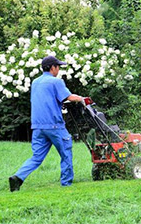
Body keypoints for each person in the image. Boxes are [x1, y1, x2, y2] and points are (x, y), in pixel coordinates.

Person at [9, 55, 85, 192]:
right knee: (66, 152)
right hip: (54, 125)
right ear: (52, 67)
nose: (59, 70)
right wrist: (82, 99)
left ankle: (17, 178)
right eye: (58, 67)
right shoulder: (56, 82)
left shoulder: (35, 82)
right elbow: (69, 97)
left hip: (38, 126)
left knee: (37, 157)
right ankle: (66, 184)